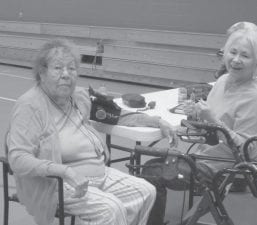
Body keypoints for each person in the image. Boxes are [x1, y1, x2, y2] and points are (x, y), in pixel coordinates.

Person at [7, 38, 177, 225]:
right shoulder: (30, 106)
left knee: (146, 191)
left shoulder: (78, 96)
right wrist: (64, 171)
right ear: (42, 72)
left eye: (71, 69)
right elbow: (17, 158)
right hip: (56, 183)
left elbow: (115, 115)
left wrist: (157, 121)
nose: (66, 74)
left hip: (97, 173)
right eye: (58, 68)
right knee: (111, 209)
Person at [144, 28, 257, 225]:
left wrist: (214, 121)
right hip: (204, 156)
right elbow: (208, 129)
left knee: (150, 172)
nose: (236, 59)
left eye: (245, 55)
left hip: (222, 170)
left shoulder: (254, 97)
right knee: (151, 166)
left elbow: (248, 151)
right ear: (224, 53)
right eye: (233, 52)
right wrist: (196, 115)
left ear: (256, 62)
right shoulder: (222, 81)